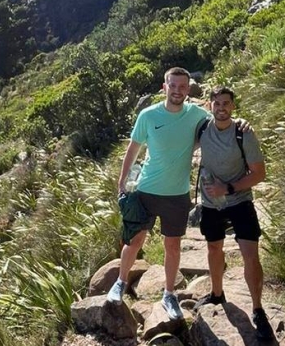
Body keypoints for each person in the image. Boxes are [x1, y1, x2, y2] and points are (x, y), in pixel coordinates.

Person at [107, 68, 251, 319]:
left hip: (177, 194)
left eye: (183, 86)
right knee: (135, 240)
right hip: (146, 189)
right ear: (164, 87)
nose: (178, 90)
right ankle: (120, 282)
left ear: (188, 89)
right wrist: (121, 183)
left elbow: (220, 118)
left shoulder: (197, 115)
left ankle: (169, 294)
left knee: (172, 246)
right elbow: (133, 149)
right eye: (173, 85)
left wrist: (240, 123)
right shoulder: (148, 115)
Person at [193, 86, 274, 341]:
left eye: (226, 103)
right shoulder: (203, 129)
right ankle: (217, 293)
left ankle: (258, 308)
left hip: (239, 199)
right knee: (213, 248)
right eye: (217, 103)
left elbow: (259, 174)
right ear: (210, 106)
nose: (221, 108)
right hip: (210, 203)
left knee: (250, 254)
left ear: (233, 106)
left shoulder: (243, 133)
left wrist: (227, 188)